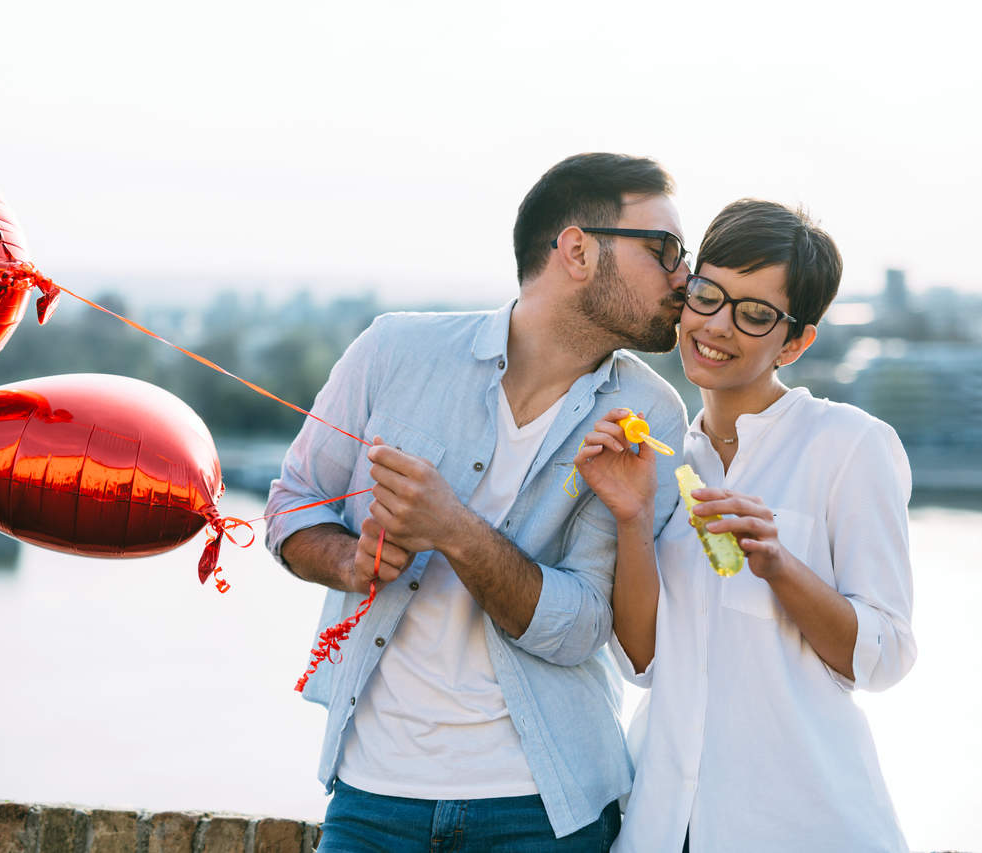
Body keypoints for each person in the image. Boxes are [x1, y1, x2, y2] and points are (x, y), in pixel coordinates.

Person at [263, 152, 691, 851]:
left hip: (544, 813)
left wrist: (453, 528)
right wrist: (350, 559)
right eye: (666, 249)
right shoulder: (394, 350)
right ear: (578, 250)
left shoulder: (650, 414)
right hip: (372, 797)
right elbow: (291, 506)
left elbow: (584, 624)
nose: (685, 276)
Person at [577, 199, 916, 852]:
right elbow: (643, 661)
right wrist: (631, 516)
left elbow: (885, 654)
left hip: (805, 823)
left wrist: (779, 564)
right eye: (709, 295)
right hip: (660, 824)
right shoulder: (662, 451)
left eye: (755, 313)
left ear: (795, 340)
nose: (717, 326)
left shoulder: (848, 445)